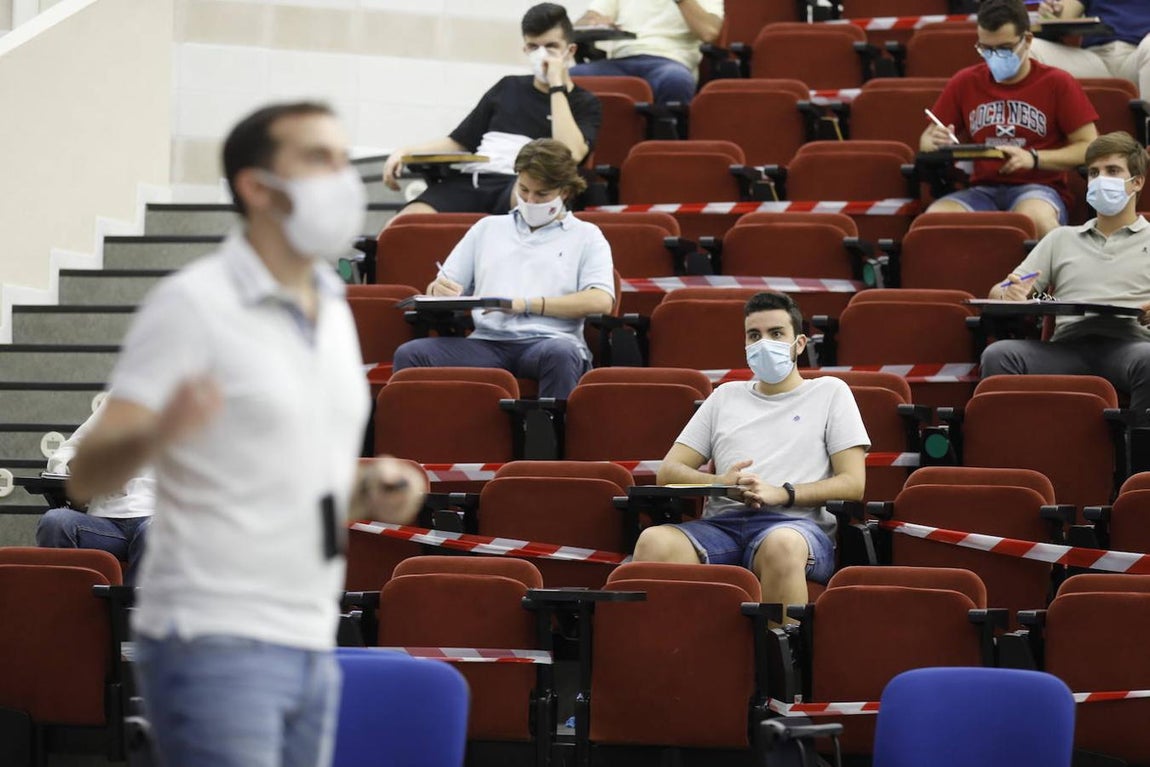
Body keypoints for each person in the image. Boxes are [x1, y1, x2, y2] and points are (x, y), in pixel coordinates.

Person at [67, 102, 426, 767]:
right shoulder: (194, 305)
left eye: (343, 157)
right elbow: (87, 474)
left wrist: (371, 489)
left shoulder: (331, 305)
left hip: (309, 631)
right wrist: (161, 429)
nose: (342, 176)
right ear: (256, 186)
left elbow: (297, 478)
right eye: (318, 158)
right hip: (214, 636)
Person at [632, 292, 870, 609]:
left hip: (796, 528)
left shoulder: (830, 392)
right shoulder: (724, 396)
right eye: (754, 335)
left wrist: (781, 493)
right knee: (653, 542)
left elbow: (853, 483)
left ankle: (783, 642)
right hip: (721, 527)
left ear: (799, 344)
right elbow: (669, 472)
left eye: (776, 333)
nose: (764, 343)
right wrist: (721, 485)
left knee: (781, 545)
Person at [392, 138, 614, 399]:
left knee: (562, 354)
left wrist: (525, 305)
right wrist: (437, 290)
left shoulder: (587, 235)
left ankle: (556, 427)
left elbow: (601, 301)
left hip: (548, 342)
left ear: (564, 192)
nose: (530, 200)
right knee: (411, 354)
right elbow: (440, 287)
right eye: (523, 189)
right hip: (486, 342)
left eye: (541, 194)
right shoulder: (487, 228)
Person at [981, 131, 1150, 412]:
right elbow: (1000, 290)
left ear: (1137, 182)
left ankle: (1140, 441)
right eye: (1094, 173)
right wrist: (1009, 294)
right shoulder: (1060, 238)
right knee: (999, 355)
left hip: (1131, 346)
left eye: (1112, 171)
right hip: (1066, 346)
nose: (1100, 179)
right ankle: (1014, 439)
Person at [382, 3, 601, 218]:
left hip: (523, 184)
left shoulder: (584, 102)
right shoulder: (507, 87)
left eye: (551, 46)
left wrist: (556, 86)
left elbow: (571, 154)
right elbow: (459, 142)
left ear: (569, 51)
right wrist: (405, 151)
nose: (542, 55)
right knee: (406, 223)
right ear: (525, 49)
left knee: (527, 203)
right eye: (533, 47)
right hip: (475, 179)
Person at [919, 0, 1099, 237]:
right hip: (982, 189)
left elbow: (1090, 147)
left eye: (1004, 48)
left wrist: (1033, 158)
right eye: (986, 49)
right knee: (934, 221)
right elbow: (926, 140)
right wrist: (934, 142)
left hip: (1039, 188)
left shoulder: (1057, 82)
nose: (995, 57)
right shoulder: (965, 81)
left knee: (1034, 218)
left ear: (1027, 41)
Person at [36, 401, 152, 585]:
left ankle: (129, 601)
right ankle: (66, 600)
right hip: (106, 525)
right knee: (54, 522)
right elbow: (66, 452)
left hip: (154, 519)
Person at [571, 0, 723, 105]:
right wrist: (593, 22)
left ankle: (668, 139)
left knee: (676, 80)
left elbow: (708, 32)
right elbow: (585, 21)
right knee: (570, 78)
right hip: (622, 59)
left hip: (670, 60)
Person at [1030, 0, 1150, 100]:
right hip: (1096, 59)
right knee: (1029, 46)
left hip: (1137, 56)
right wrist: (1050, 11)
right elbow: (1060, 15)